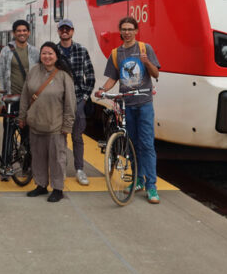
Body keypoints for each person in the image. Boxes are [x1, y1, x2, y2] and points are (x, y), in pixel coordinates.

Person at [95, 16, 161, 204]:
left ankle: (152, 187)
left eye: (130, 29)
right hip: (127, 105)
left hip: (144, 103)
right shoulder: (116, 54)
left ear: (136, 30)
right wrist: (103, 90)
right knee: (131, 144)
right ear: (120, 31)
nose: (127, 32)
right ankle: (138, 180)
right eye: (123, 29)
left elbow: (156, 73)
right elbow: (112, 78)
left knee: (147, 144)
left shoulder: (144, 48)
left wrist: (146, 62)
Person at [18, 42, 76, 202]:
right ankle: (41, 185)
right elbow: (25, 96)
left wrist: (67, 124)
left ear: (56, 56)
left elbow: (70, 103)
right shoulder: (34, 71)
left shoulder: (64, 76)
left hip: (55, 126)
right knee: (37, 157)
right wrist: (22, 116)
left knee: (57, 158)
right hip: (35, 124)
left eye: (50, 53)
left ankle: (58, 188)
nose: (47, 56)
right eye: (44, 53)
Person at [0, 19, 39, 180]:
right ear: (14, 33)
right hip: (10, 99)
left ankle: (26, 166)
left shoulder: (34, 51)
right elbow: (0, 74)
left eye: (24, 30)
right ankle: (5, 166)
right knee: (8, 134)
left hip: (29, 100)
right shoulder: (6, 51)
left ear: (28, 32)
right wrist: (1, 99)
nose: (22, 33)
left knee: (27, 134)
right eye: (18, 31)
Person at [56, 18, 95, 186]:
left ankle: (79, 169)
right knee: (60, 137)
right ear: (58, 31)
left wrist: (84, 99)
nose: (65, 31)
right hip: (59, 101)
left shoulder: (81, 50)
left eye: (68, 29)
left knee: (77, 137)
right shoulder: (54, 51)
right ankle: (61, 168)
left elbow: (91, 77)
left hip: (78, 99)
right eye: (62, 29)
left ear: (72, 31)